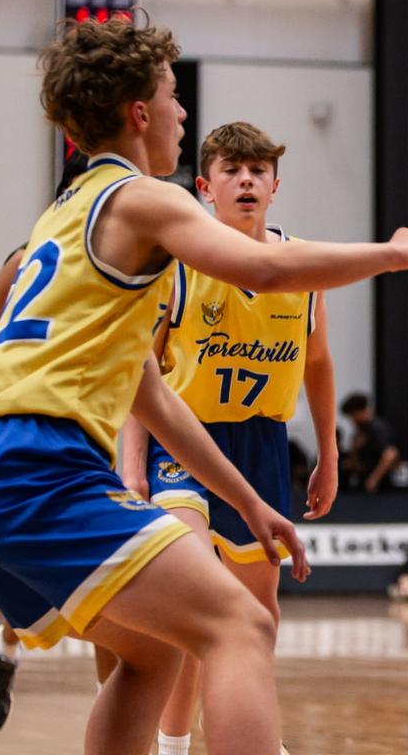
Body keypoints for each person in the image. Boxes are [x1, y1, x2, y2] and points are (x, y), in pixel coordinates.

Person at [0, 16, 408, 755]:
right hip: (39, 461)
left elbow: (151, 393)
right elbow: (266, 269)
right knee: (241, 625)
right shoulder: (147, 197)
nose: (184, 112)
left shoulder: (63, 215)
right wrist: (394, 253)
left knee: (154, 651)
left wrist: (248, 503)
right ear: (139, 113)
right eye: (175, 96)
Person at [120, 120, 339, 755]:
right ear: (203, 186)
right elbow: (142, 373)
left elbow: (319, 365)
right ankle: (175, 745)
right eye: (232, 170)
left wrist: (327, 454)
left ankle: (240, 734)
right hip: (182, 443)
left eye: (258, 171)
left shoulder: (300, 268)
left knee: (254, 618)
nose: (246, 180)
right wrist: (132, 466)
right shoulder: (179, 264)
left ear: (275, 186)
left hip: (262, 445)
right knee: (198, 600)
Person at [0, 151, 119, 734]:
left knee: (119, 606)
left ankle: (129, 723)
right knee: (82, 602)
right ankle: (6, 644)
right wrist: (18, 406)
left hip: (114, 442)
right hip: (41, 447)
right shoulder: (28, 261)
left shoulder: (141, 263)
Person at [339, 392, 402, 493]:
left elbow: (390, 454)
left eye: (352, 415)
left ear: (358, 412)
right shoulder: (361, 431)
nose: (351, 420)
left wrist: (374, 479)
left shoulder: (378, 428)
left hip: (381, 486)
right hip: (364, 481)